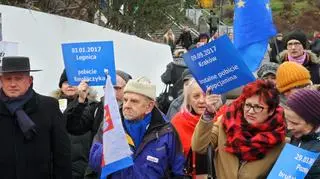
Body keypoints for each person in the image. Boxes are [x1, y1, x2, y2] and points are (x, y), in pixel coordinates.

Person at [70, 77, 185, 178]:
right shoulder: (111, 125)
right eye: (125, 100)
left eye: (134, 101)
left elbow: (178, 172)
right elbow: (94, 163)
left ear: (149, 106)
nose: (127, 105)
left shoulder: (166, 131)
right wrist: (111, 148)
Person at [192, 80, 286, 179]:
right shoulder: (227, 121)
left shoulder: (279, 140)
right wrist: (208, 113)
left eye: (258, 107)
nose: (250, 111)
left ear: (271, 111)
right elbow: (199, 146)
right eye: (248, 105)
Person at [0, 56, 71, 178]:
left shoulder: (48, 106)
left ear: (29, 80)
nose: (12, 84)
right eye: (8, 79)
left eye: (18, 79)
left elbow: (62, 154)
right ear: (1, 81)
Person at [53, 69, 98, 179]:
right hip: (58, 165)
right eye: (66, 82)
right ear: (60, 86)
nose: (70, 85)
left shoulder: (93, 106)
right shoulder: (51, 106)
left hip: (83, 163)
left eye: (74, 82)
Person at [171, 78, 214, 178]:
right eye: (196, 96)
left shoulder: (220, 118)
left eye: (206, 95)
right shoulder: (178, 122)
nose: (202, 101)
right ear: (189, 100)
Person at [285, 89, 320, 178]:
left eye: (295, 123)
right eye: (287, 120)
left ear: (313, 122)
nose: (288, 127)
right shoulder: (299, 135)